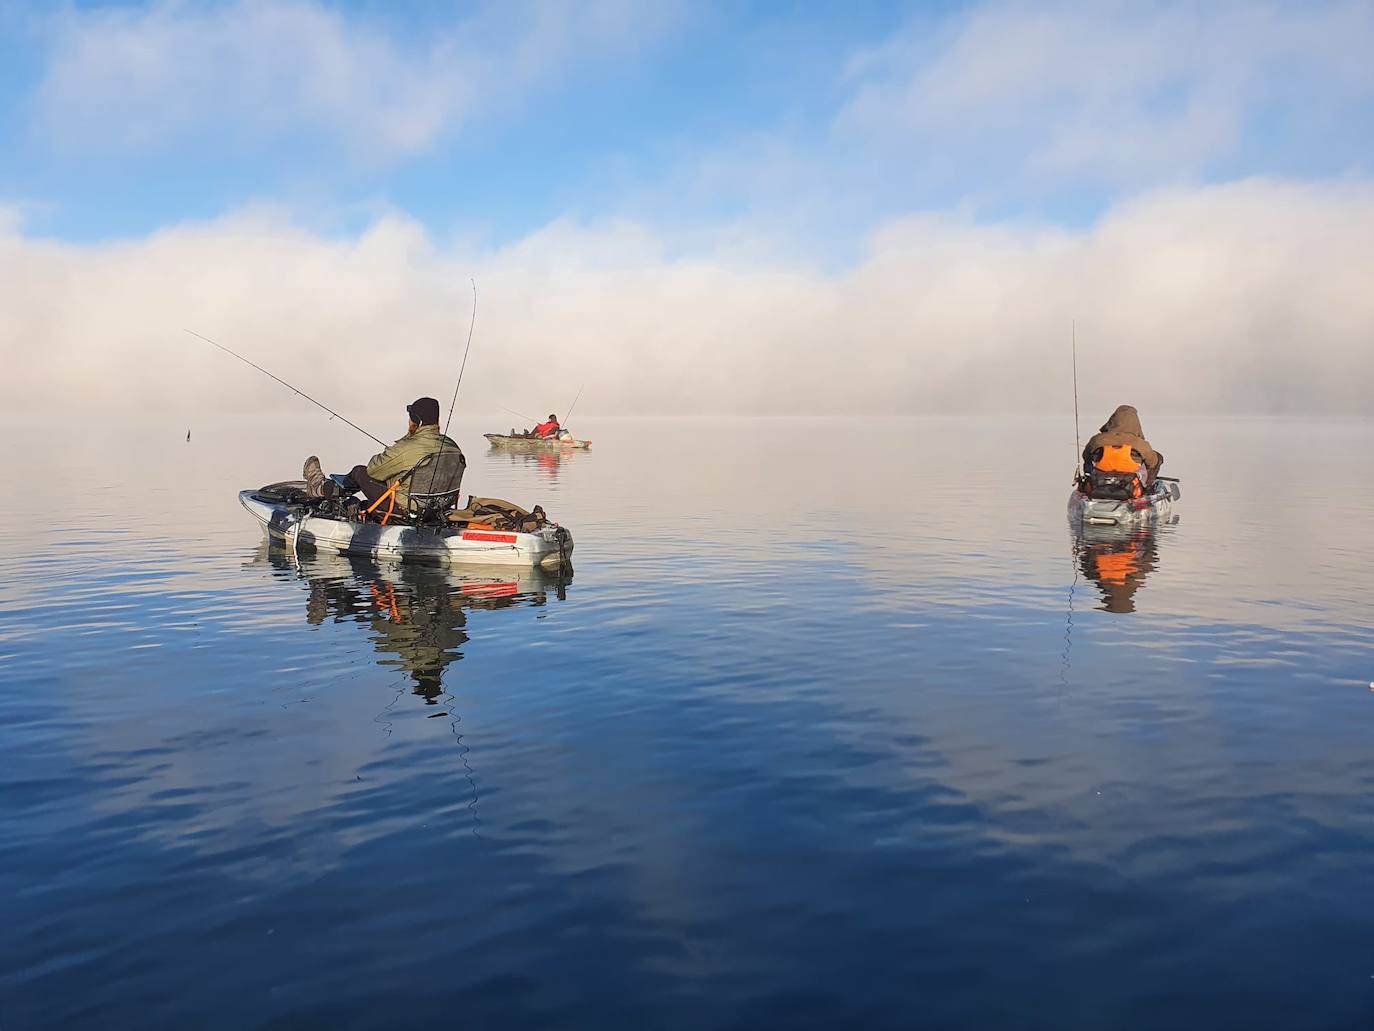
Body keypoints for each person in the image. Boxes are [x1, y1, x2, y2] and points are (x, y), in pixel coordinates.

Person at [303, 396, 462, 512]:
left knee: (359, 471)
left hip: (405, 508)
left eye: (411, 418)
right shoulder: (454, 447)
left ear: (417, 422)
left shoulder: (407, 448)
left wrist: (405, 441)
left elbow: (373, 470)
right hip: (438, 507)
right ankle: (336, 493)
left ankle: (320, 488)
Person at [1081, 404, 1163, 488]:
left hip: (1100, 478)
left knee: (1088, 460)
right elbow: (1152, 463)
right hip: (1130, 482)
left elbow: (1086, 456)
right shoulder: (1140, 443)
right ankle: (1147, 485)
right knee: (1157, 457)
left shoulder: (1097, 439)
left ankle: (1089, 482)